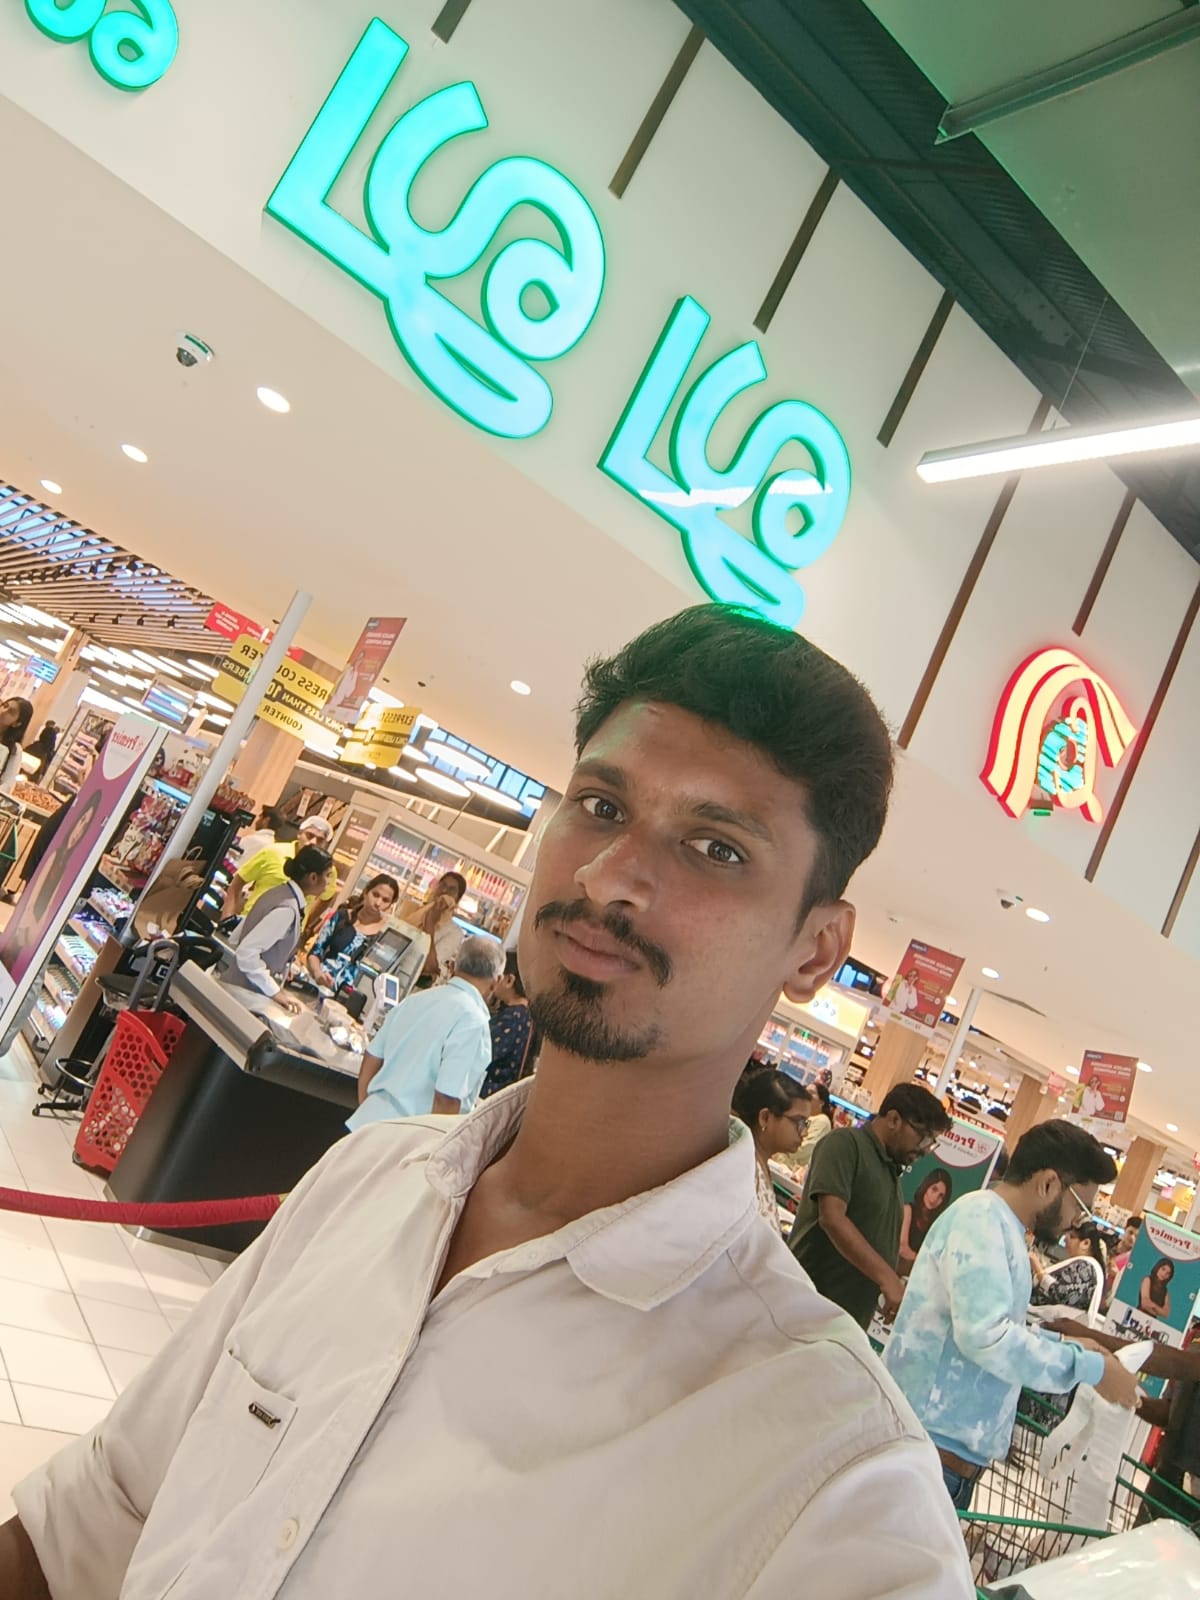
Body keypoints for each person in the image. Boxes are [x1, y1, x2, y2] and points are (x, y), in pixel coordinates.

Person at [2, 604, 974, 1599]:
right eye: (600, 804)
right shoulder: (368, 1180)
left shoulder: (837, 1482)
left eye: (716, 847)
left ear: (816, 948)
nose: (611, 876)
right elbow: (90, 1523)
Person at [884, 1119, 1141, 1513]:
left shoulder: (1002, 1227)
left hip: (942, 1452)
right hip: (927, 1450)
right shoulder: (982, 1221)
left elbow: (994, 1326)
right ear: (1049, 1184)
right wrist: (1093, 1369)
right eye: (1080, 1205)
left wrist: (1066, 1343)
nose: (1077, 1221)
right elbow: (986, 1338)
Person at [789, 1081, 952, 1328]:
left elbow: (878, 1244)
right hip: (808, 1309)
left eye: (932, 1142)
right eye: (924, 1137)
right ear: (894, 1119)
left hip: (844, 1322)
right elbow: (832, 1217)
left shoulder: (891, 1172)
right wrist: (886, 1278)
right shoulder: (845, 1144)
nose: (926, 1150)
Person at [349, 934, 504, 1127]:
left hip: (366, 1122)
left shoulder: (415, 1000)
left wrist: (367, 1111)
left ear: (453, 966)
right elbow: (446, 1099)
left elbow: (372, 1057)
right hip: (406, 1137)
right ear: (497, 981)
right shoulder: (473, 1022)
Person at [218, 845, 335, 1015]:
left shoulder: (279, 893)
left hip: (238, 989)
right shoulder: (288, 909)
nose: (329, 882)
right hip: (242, 996)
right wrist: (275, 992)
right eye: (327, 875)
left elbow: (239, 935)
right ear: (313, 877)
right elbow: (247, 952)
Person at [730, 1065, 818, 1235]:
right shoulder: (743, 1169)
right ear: (765, 1118)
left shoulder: (759, 1163)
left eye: (806, 1124)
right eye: (799, 1122)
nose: (804, 1132)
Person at [221, 814, 338, 937]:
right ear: (299, 833)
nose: (313, 842)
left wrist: (306, 926)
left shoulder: (326, 870)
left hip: (287, 935)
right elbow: (239, 881)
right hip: (253, 922)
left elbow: (327, 897)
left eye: (320, 840)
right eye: (309, 835)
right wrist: (227, 918)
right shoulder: (273, 852)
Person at [306, 874, 399, 992]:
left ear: (391, 904)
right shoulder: (342, 917)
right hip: (319, 986)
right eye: (375, 895)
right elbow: (315, 952)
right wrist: (318, 974)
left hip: (351, 996)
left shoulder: (386, 935)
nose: (378, 903)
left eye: (385, 900)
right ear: (366, 892)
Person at [477, 950, 534, 1100]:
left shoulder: (512, 1018)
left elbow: (483, 1052)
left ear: (509, 980)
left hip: (488, 1092)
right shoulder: (526, 1015)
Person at [400, 868, 468, 985]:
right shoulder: (412, 910)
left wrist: (430, 923)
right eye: (443, 885)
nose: (445, 891)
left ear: (457, 899)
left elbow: (429, 966)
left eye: (452, 890)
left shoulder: (454, 933)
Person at [1030, 1223, 1108, 1316]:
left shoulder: (1086, 1267)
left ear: (1085, 1243)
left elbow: (1061, 1294)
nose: (1065, 1239)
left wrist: (1039, 1270)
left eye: (1072, 1236)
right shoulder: (1085, 1265)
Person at [900, 1166, 954, 1268]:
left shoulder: (937, 1224)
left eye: (941, 1196)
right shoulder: (908, 1210)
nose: (935, 1198)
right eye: (934, 1189)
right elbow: (902, 1248)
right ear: (926, 1186)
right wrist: (927, 1263)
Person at [778, 1079, 833, 1172]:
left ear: (821, 1102)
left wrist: (782, 1147)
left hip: (792, 1169)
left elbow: (807, 1147)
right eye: (805, 1092)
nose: (806, 1095)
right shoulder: (803, 1116)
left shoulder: (823, 1121)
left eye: (811, 1093)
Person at [0, 696, 33, 792]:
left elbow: (8, 785)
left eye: (11, 712)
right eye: (5, 705)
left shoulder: (14, 750)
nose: (3, 711)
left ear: (17, 723)